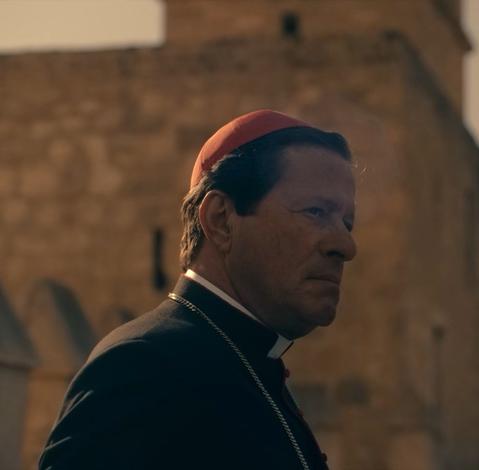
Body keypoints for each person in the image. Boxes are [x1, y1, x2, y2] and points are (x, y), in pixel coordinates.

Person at [39, 109, 357, 470]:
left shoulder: (255, 368)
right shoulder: (143, 369)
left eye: (347, 222)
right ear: (221, 219)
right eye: (316, 212)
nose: (346, 246)